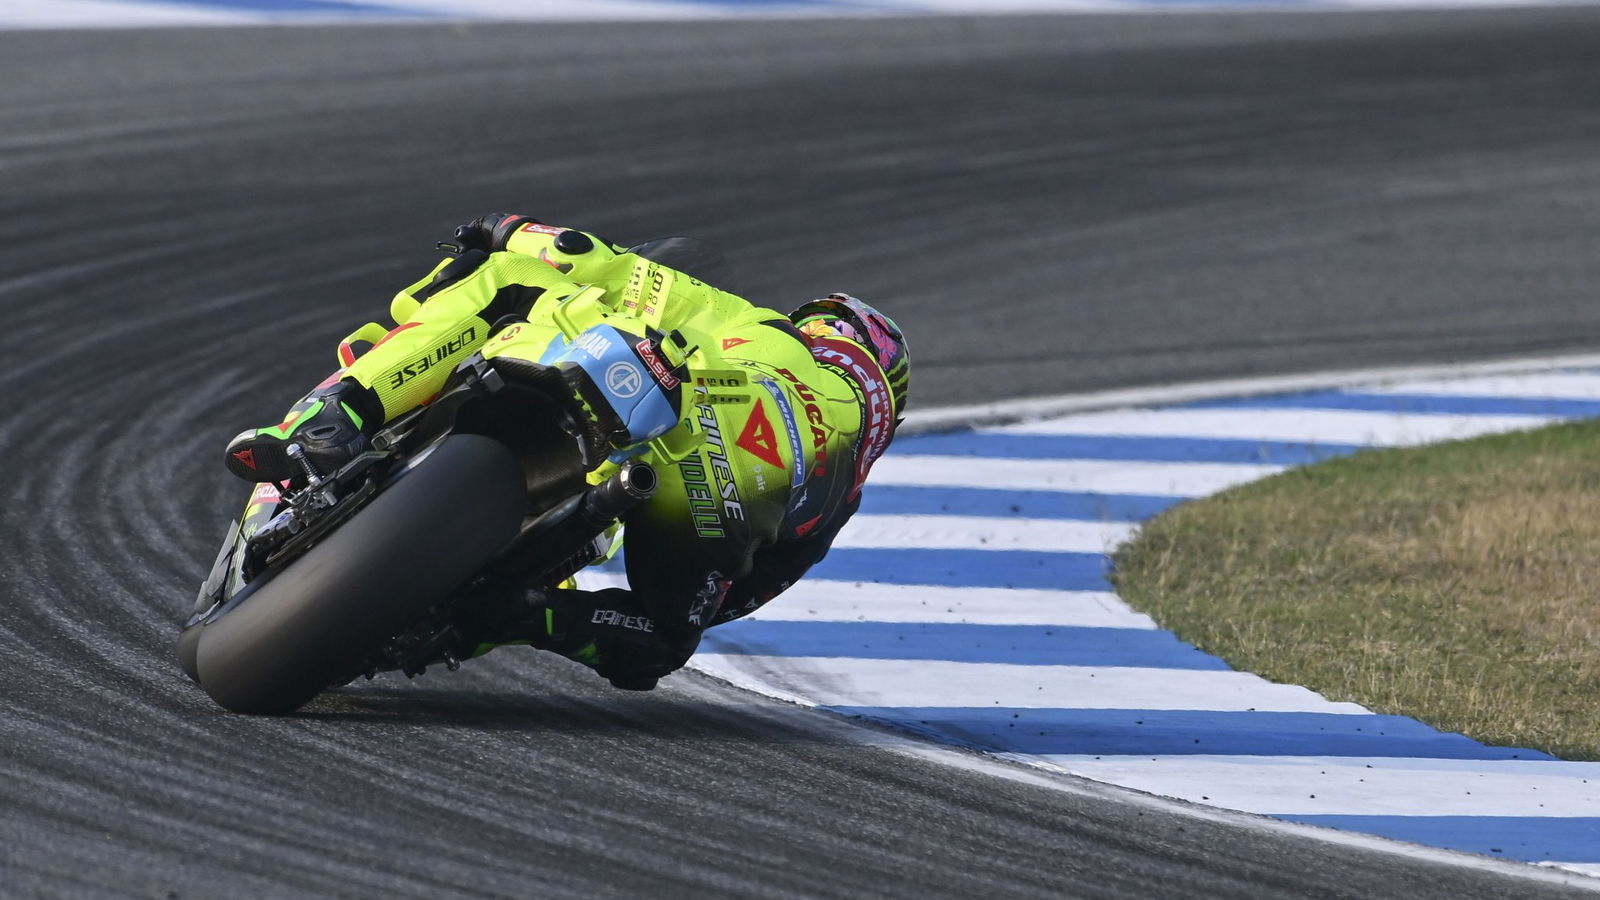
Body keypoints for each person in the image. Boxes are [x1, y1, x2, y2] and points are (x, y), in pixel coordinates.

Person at [223, 214, 909, 691]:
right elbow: (732, 600)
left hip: (659, 399)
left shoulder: (770, 332)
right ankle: (502, 616)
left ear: (824, 330)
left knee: (507, 279)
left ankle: (331, 417)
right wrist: (645, 609)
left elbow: (595, 259)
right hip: (717, 500)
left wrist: (505, 228)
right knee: (658, 637)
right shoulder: (840, 491)